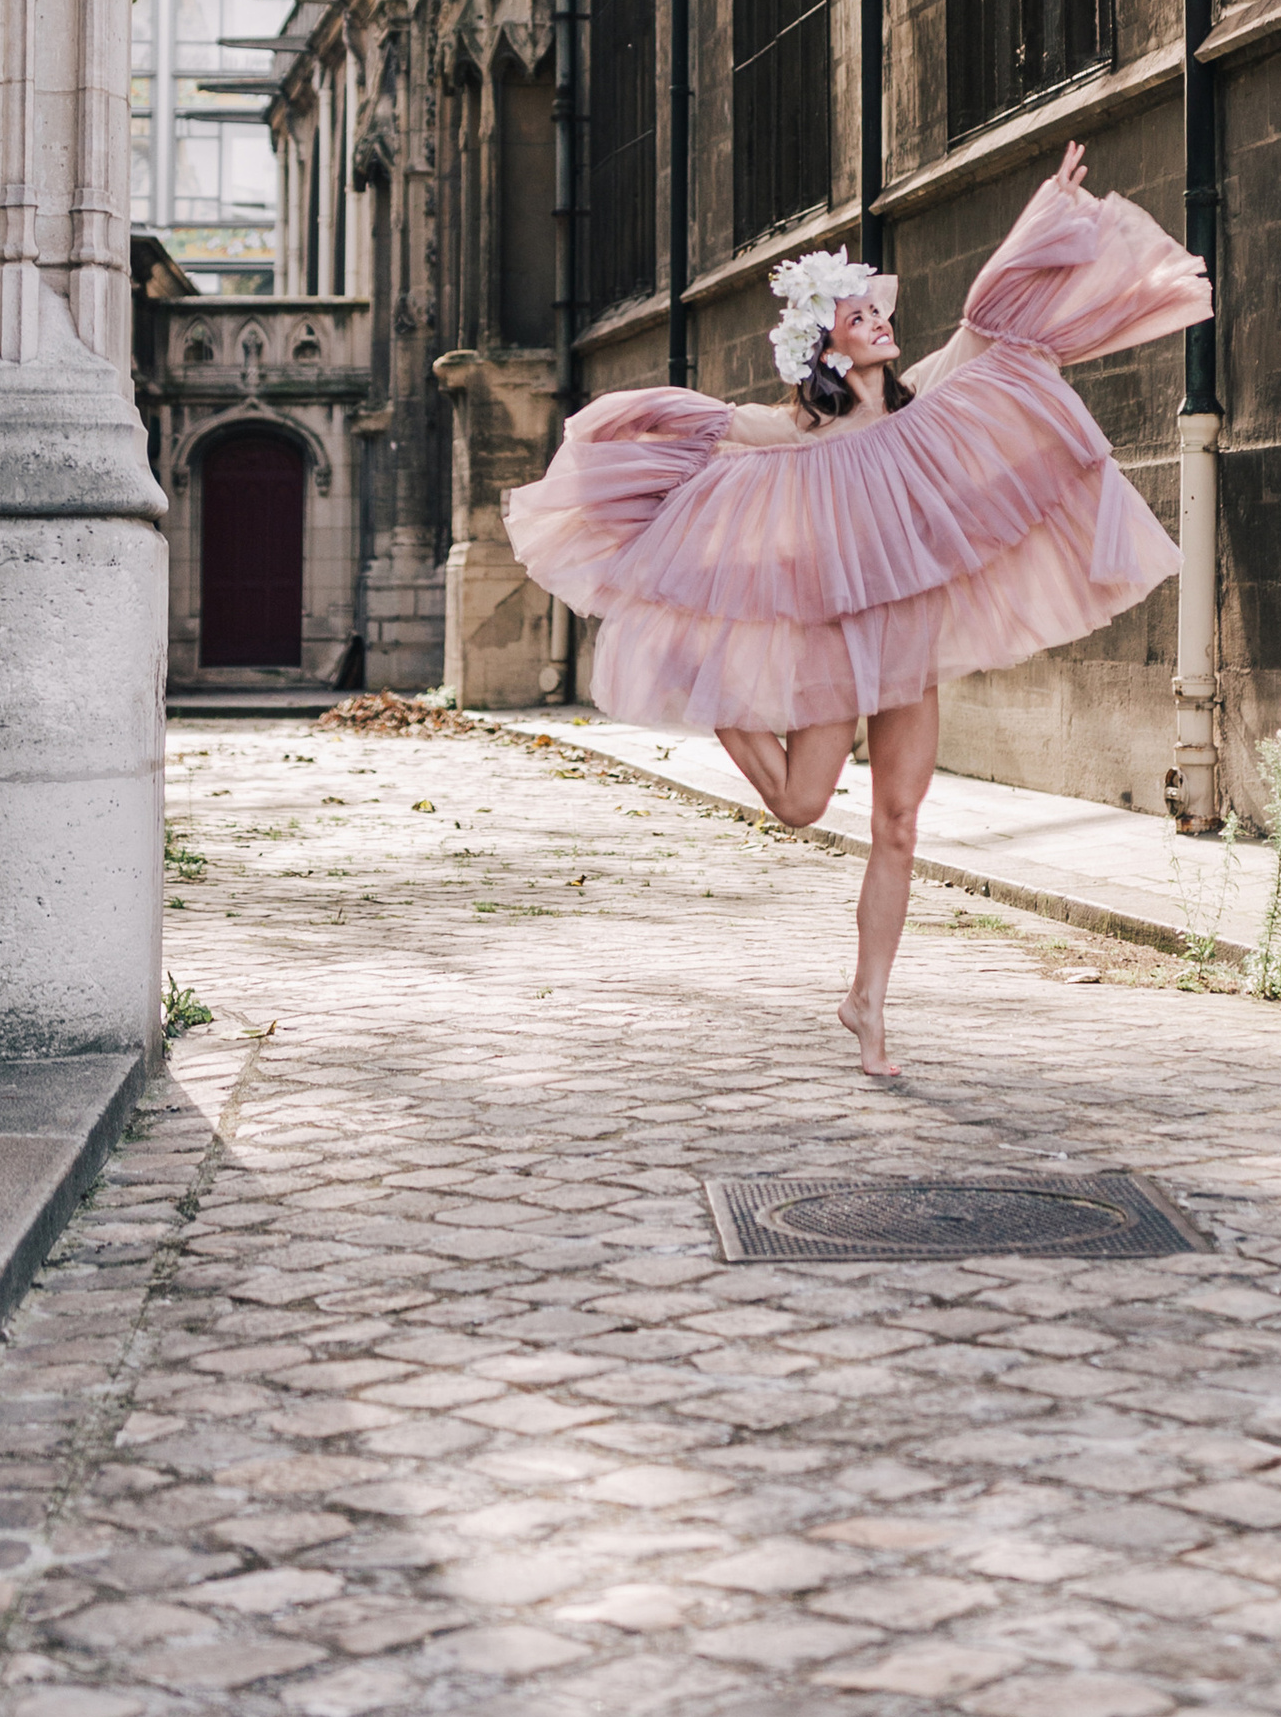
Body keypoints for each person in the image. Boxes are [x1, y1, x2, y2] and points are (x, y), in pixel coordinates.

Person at [504, 145, 1210, 1079]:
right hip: (840, 649)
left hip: (908, 649)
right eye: (859, 317)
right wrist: (633, 425)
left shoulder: (931, 396)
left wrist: (1052, 211)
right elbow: (717, 429)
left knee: (900, 825)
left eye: (880, 312)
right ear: (827, 345)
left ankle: (868, 1005)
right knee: (800, 805)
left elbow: (991, 328)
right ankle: (720, 696)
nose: (880, 323)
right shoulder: (797, 431)